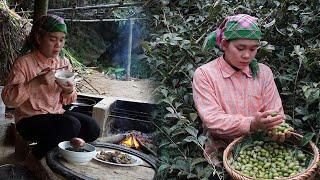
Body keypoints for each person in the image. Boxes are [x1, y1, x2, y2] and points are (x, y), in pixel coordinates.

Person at [192, 14, 288, 166]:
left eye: (253, 49)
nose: (247, 55)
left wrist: (276, 127)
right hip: (221, 155)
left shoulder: (263, 73)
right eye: (240, 48)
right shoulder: (205, 74)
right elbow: (213, 120)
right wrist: (252, 123)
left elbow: (275, 112)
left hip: (260, 153)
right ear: (224, 44)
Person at [1, 14, 100, 160]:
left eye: (62, 39)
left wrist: (69, 90)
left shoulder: (63, 63)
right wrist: (36, 82)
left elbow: (68, 100)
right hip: (29, 119)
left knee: (92, 127)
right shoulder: (24, 63)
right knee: (71, 125)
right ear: (39, 38)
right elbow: (8, 100)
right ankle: (35, 157)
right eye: (52, 39)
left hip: (56, 115)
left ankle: (61, 146)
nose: (58, 45)